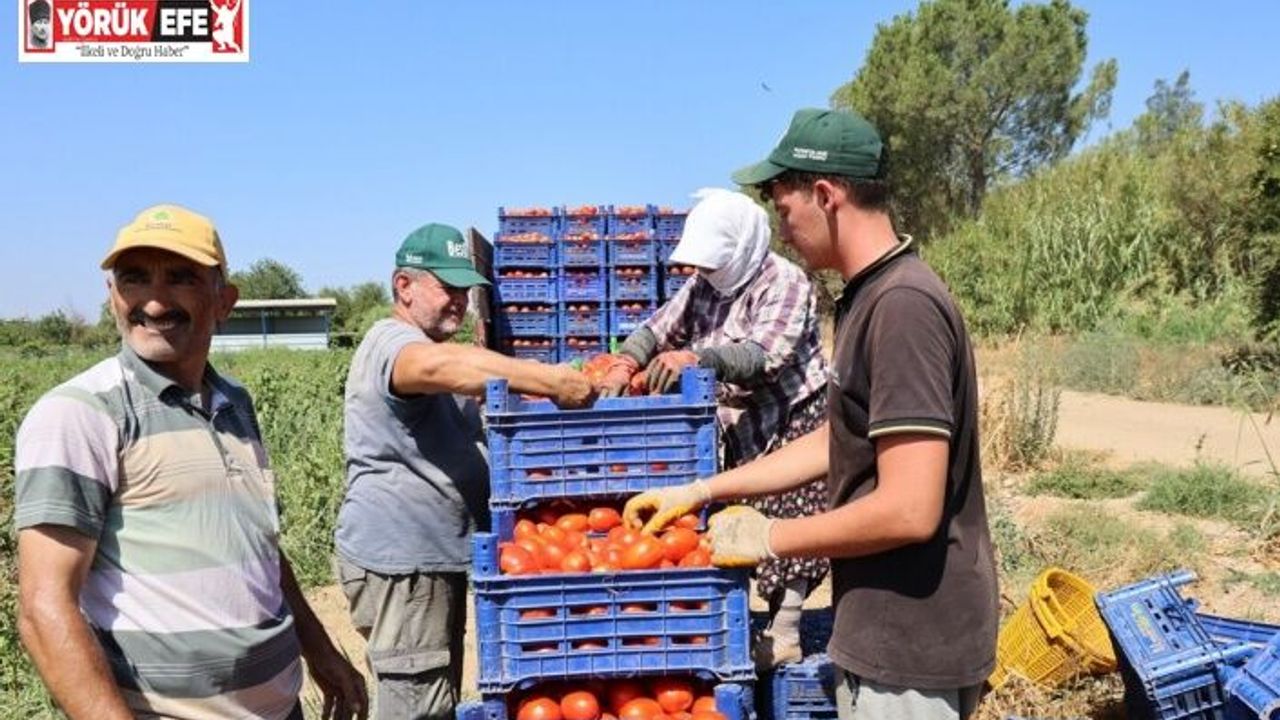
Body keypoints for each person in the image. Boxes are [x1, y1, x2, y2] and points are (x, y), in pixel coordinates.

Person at [625, 109, 998, 720]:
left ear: (825, 195)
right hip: (881, 621)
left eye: (783, 207)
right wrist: (702, 489)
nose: (783, 227)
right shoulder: (868, 296)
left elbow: (910, 507)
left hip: (909, 638)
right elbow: (841, 439)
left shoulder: (902, 306)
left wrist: (771, 537)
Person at [14, 204, 367, 720]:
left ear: (224, 301)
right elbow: (44, 608)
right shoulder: (80, 413)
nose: (154, 303)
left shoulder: (233, 402)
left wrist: (319, 649)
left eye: (180, 279)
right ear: (113, 297)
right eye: (133, 280)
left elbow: (259, 550)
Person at [333, 223, 595, 720]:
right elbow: (434, 367)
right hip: (404, 563)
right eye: (446, 287)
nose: (459, 300)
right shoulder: (393, 342)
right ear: (402, 286)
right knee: (417, 707)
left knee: (435, 696)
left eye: (464, 289)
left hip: (430, 559)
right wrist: (550, 381)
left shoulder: (429, 344)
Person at [595, 187, 830, 668]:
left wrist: (699, 358)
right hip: (740, 418)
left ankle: (784, 630)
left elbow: (764, 357)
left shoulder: (785, 282)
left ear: (743, 247)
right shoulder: (705, 284)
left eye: (711, 261)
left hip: (794, 410)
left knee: (789, 513)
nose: (702, 272)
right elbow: (658, 328)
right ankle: (749, 622)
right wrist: (624, 363)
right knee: (741, 516)